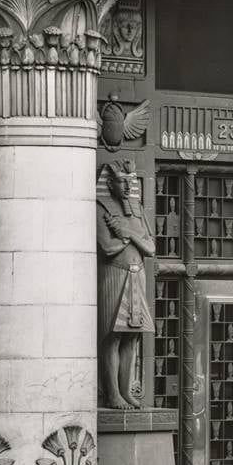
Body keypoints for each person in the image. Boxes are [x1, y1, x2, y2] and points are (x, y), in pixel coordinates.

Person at [96, 162, 156, 409]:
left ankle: (125, 391)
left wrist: (128, 233)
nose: (128, 185)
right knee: (113, 335)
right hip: (115, 274)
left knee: (133, 337)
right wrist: (127, 237)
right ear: (109, 184)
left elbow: (151, 248)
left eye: (130, 181)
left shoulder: (138, 210)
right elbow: (108, 248)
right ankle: (112, 394)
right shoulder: (101, 208)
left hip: (137, 274)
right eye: (122, 181)